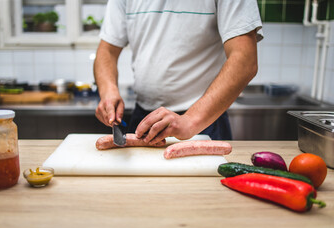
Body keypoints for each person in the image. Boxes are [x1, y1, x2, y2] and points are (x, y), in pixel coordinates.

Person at [94, 0, 263, 144]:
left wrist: (190, 120)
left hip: (203, 121)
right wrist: (108, 90)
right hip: (142, 119)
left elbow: (245, 60)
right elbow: (106, 51)